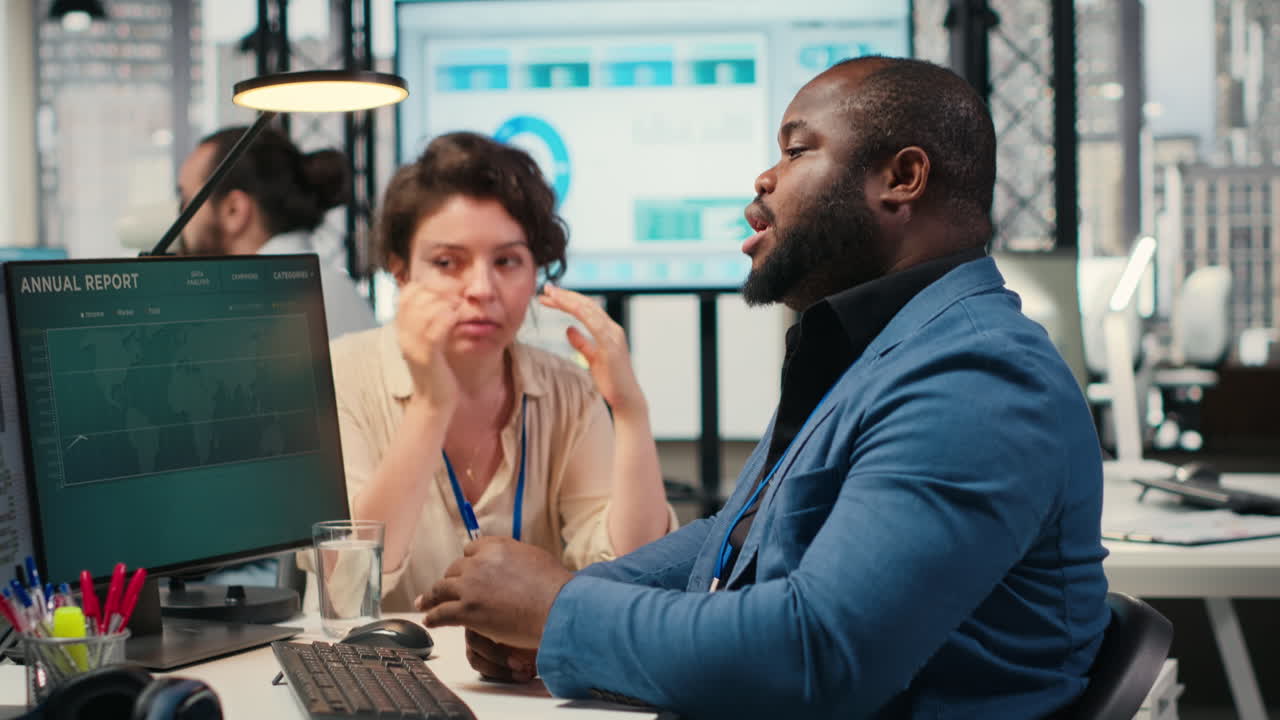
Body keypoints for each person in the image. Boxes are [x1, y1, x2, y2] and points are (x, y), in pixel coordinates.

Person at [417, 57, 1111, 718]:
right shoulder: (880, 350)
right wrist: (549, 615)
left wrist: (558, 611)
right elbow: (736, 539)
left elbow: (817, 657)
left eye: (796, 151)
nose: (764, 178)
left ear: (901, 178)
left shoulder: (976, 378)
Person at [324, 132, 676, 612]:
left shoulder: (567, 393)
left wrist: (630, 410)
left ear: (536, 274)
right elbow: (347, 584)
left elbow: (633, 568)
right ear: (401, 272)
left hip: (520, 683)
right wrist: (432, 405)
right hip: (377, 678)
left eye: (507, 261)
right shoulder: (339, 375)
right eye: (448, 262)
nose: (481, 289)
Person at [177, 126, 376, 339]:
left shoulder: (248, 306)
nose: (180, 218)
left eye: (186, 200)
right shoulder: (335, 288)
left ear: (233, 210)